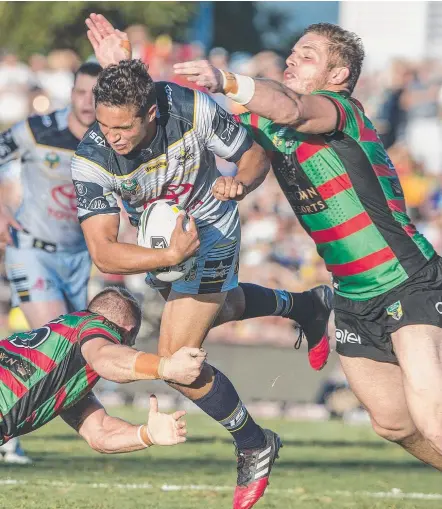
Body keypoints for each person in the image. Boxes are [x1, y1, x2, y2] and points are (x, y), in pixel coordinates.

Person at [69, 14, 332, 509]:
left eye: (123, 127)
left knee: (176, 362)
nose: (112, 137)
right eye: (103, 125)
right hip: (163, 248)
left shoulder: (189, 107)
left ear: (150, 112)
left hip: (212, 228)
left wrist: (240, 184)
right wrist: (167, 254)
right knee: (223, 308)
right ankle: (304, 307)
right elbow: (103, 250)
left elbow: (254, 151)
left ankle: (254, 443)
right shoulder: (90, 157)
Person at [174, 23, 442, 472]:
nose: (293, 58)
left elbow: (293, 109)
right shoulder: (266, 119)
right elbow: (255, 152)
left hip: (405, 280)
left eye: (309, 55)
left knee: (433, 417)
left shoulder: (340, 110)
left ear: (338, 75)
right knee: (393, 423)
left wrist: (228, 81)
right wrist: (240, 182)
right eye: (294, 52)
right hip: (353, 296)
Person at [0, 61, 102, 464]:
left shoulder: (109, 140)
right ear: (71, 91)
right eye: (80, 92)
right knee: (56, 343)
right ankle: (9, 435)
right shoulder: (37, 130)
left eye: (95, 95)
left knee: (72, 354)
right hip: (31, 250)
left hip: (80, 258)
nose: (86, 102)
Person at [0, 286, 206, 452]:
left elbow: (99, 432)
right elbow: (103, 358)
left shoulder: (64, 365)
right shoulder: (96, 326)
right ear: (128, 331)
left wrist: (146, 434)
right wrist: (165, 366)